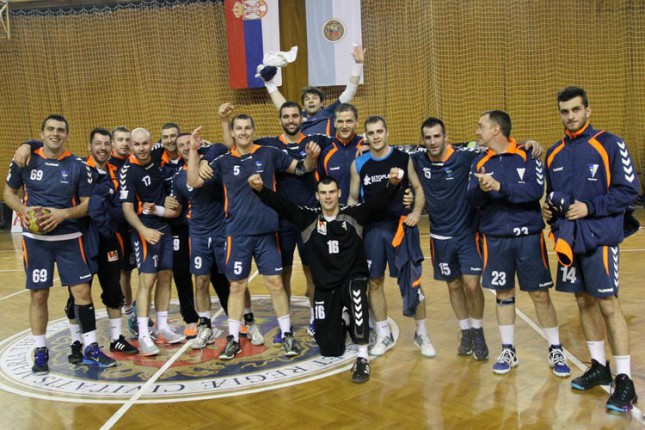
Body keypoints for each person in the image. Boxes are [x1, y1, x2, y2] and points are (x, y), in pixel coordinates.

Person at [249, 169, 403, 383]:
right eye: (323, 193)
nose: (328, 197)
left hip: (352, 278)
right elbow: (282, 205)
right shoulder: (308, 218)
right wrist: (260, 189)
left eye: (332, 192)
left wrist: (392, 184)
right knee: (330, 348)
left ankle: (362, 357)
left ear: (339, 193)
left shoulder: (354, 214)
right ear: (317, 195)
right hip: (325, 287)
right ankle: (344, 318)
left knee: (356, 292)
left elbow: (377, 202)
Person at [186, 116, 320, 360]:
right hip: (237, 234)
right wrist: (194, 151)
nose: (244, 132)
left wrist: (311, 157)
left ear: (254, 130)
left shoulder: (268, 153)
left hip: (267, 232)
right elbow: (193, 181)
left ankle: (287, 334)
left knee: (276, 284)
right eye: (239, 128)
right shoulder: (223, 161)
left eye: (248, 127)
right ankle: (234, 339)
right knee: (237, 286)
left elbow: (302, 168)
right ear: (232, 133)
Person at [543, 86, 639, 412]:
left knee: (608, 305)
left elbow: (629, 191)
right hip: (569, 242)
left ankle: (625, 380)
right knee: (583, 302)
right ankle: (599, 367)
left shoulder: (609, 143)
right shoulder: (554, 153)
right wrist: (549, 212)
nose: (570, 116)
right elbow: (554, 197)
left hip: (600, 238)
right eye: (565, 111)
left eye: (576, 110)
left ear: (588, 110)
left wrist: (590, 207)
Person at [3, 114, 116, 374]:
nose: (56, 134)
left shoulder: (78, 165)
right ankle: (40, 351)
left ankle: (90, 348)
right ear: (41, 134)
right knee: (39, 295)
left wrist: (63, 214)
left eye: (61, 130)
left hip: (69, 239)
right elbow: (9, 193)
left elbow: (87, 205)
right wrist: (24, 211)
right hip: (36, 241)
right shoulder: (25, 159)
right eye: (51, 129)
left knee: (82, 293)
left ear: (66, 135)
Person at [467, 110, 570, 377]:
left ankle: (555, 349)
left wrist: (499, 187)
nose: (477, 131)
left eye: (481, 126)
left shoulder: (529, 154)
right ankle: (508, 350)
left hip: (528, 238)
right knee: (503, 294)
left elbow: (534, 192)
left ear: (496, 130)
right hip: (495, 239)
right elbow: (472, 200)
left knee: (540, 294)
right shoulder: (479, 161)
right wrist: (482, 190)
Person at [348, 115, 435, 358]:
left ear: (387, 132)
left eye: (379, 131)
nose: (376, 136)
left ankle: (421, 333)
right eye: (371, 133)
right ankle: (384, 334)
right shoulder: (359, 164)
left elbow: (418, 188)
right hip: (372, 229)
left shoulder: (403, 158)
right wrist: (352, 228)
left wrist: (416, 212)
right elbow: (353, 198)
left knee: (412, 282)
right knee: (374, 282)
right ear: (366, 137)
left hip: (400, 227)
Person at [172, 133, 263, 348]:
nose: (186, 147)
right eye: (181, 145)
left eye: (189, 143)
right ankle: (205, 328)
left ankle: (249, 322)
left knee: (236, 279)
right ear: (178, 151)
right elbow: (177, 209)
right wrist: (159, 208)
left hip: (224, 230)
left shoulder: (214, 164)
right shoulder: (178, 178)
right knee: (201, 280)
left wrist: (204, 157)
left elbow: (224, 146)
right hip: (198, 234)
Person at [410, 117, 488, 360]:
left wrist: (527, 144)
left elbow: (498, 148)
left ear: (446, 137)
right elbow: (389, 155)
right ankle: (465, 332)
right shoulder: (418, 159)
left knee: (472, 285)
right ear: (423, 140)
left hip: (467, 233)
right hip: (439, 236)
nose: (433, 141)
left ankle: (478, 332)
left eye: (437, 136)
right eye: (428, 138)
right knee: (453, 285)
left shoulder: (465, 157)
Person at [64, 128, 138, 359]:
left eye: (106, 144)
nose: (103, 148)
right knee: (78, 293)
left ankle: (116, 339)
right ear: (89, 146)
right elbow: (88, 207)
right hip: (83, 239)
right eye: (98, 143)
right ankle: (77, 342)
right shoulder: (79, 169)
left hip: (109, 239)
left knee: (113, 290)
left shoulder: (117, 173)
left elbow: (119, 209)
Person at [120, 127, 184, 356]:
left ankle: (162, 327)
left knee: (166, 276)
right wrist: (143, 231)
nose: (141, 148)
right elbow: (127, 209)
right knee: (147, 280)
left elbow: (172, 143)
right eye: (136, 144)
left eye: (145, 143)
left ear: (151, 143)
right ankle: (144, 334)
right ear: (131, 146)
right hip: (144, 229)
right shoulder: (128, 171)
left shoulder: (157, 154)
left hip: (164, 226)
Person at [262, 46, 365, 136]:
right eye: (307, 99)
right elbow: (283, 107)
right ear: (303, 105)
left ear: (322, 103)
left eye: (315, 98)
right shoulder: (298, 117)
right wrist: (269, 83)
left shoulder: (329, 113)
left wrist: (358, 65)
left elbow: (349, 92)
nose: (310, 101)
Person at [317, 103, 366, 203]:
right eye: (340, 121)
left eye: (349, 121)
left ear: (357, 122)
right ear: (334, 123)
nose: (344, 126)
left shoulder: (367, 147)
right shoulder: (326, 152)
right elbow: (322, 185)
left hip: (365, 210)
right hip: (336, 211)